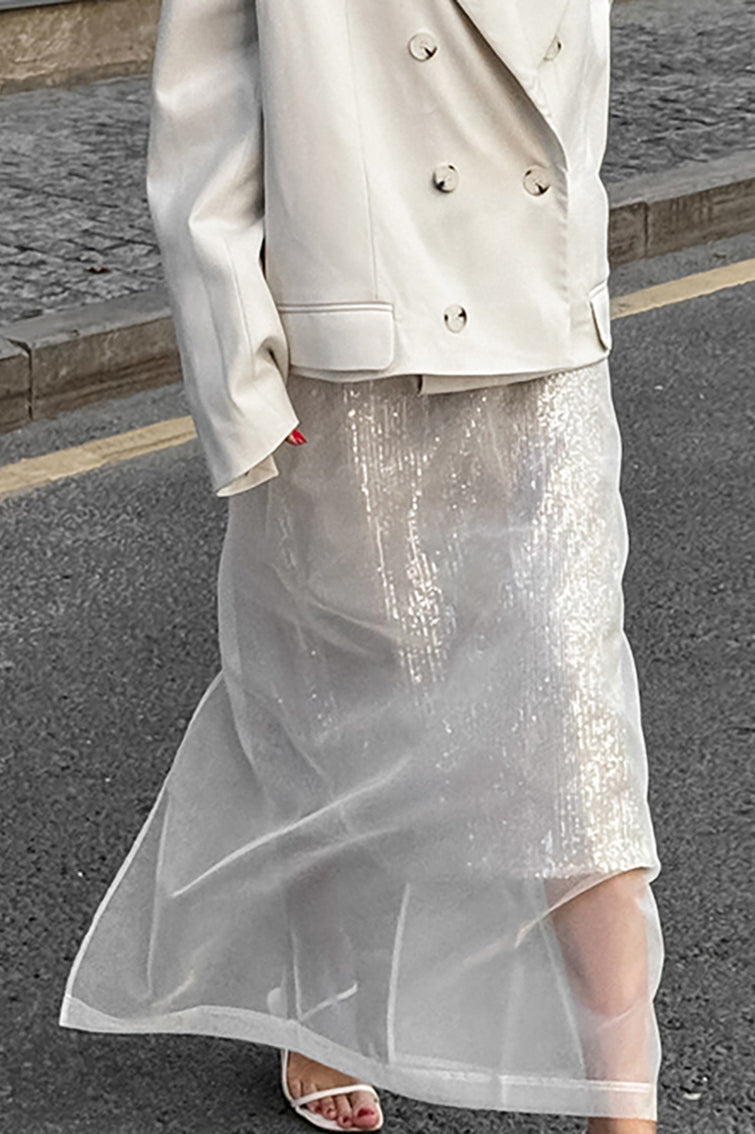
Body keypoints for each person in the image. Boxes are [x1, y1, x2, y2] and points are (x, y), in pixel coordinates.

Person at [58, 1, 664, 1132]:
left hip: (542, 343)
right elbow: (203, 113)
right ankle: (322, 998)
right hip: (352, 366)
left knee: (574, 707)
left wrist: (575, 265)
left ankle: (621, 1106)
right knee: (333, 696)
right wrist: (240, 376)